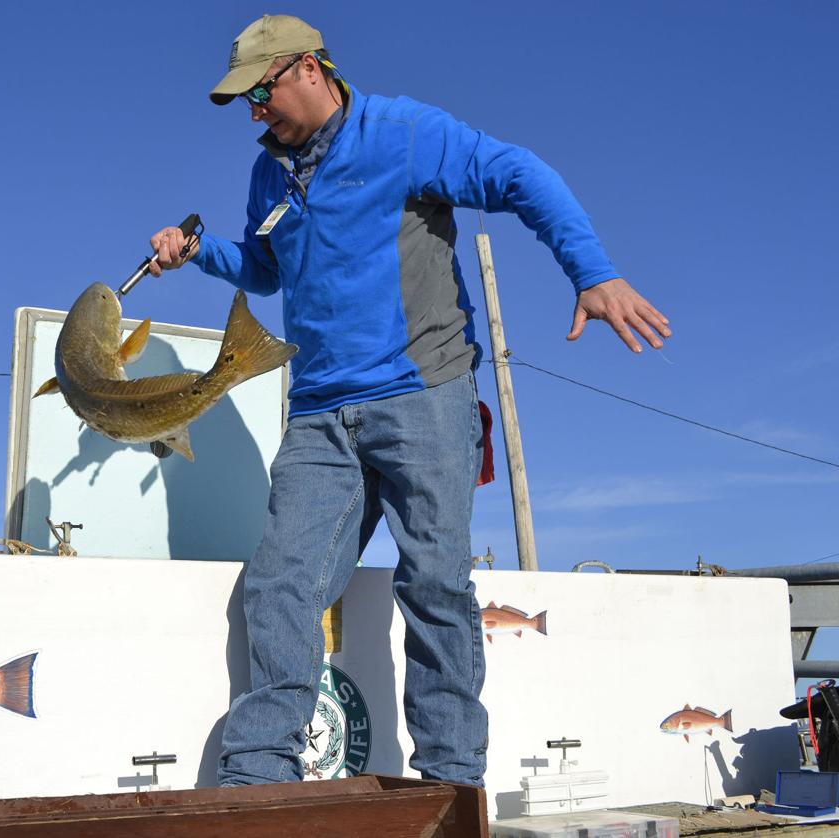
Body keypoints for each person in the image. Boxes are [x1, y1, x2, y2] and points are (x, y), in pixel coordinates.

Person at [149, 14, 671, 788]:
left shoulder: (403, 132)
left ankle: (451, 785)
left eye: (261, 94)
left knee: (433, 585)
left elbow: (520, 174)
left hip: (422, 394)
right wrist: (202, 255)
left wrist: (591, 272)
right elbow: (266, 269)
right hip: (320, 413)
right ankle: (257, 781)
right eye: (246, 104)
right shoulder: (269, 173)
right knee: (282, 582)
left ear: (309, 69)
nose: (256, 114)